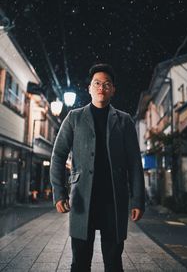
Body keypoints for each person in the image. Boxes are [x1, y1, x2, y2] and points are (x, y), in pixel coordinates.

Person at [50, 63, 145, 272]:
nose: (102, 87)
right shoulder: (74, 118)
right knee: (80, 261)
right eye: (97, 83)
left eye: (107, 84)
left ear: (113, 89)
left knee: (113, 262)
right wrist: (59, 193)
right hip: (83, 200)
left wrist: (138, 199)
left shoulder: (124, 121)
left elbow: (135, 164)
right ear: (90, 88)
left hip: (114, 199)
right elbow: (58, 156)